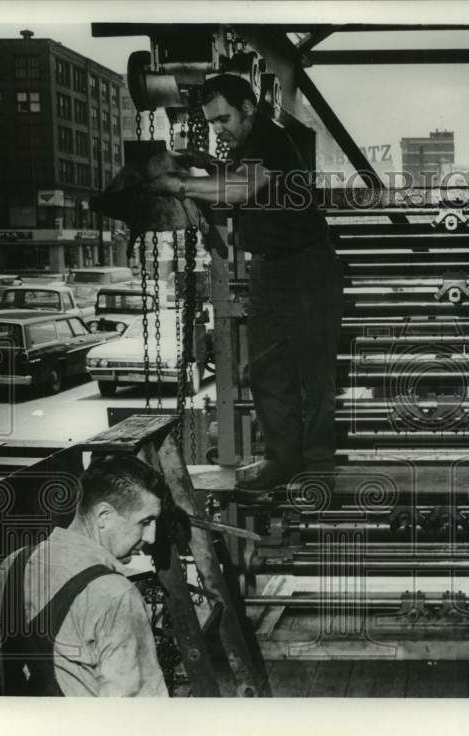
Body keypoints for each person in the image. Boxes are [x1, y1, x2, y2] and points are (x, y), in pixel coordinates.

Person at [146, 73, 344, 494]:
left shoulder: (269, 138)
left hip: (306, 267)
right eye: (212, 122)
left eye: (224, 119)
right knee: (268, 369)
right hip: (271, 269)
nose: (219, 129)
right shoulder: (250, 146)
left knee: (313, 371)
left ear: (249, 108)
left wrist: (179, 184)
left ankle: (318, 466)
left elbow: (242, 187)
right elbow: (239, 177)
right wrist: (207, 162)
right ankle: (282, 462)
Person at [0, 455, 169, 696]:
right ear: (104, 516)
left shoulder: (11, 565)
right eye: (145, 521)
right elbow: (137, 709)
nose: (151, 537)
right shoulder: (116, 595)